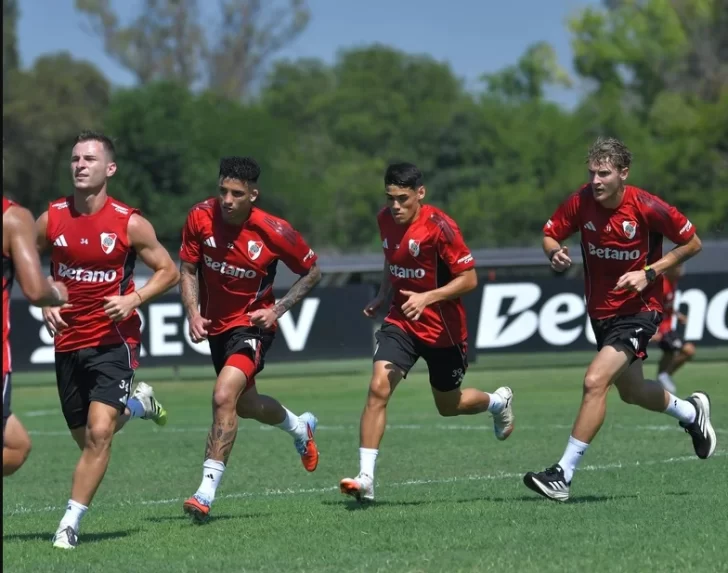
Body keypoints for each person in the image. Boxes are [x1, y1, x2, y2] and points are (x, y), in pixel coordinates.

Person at [523, 137, 716, 502]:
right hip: (601, 312)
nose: (595, 181)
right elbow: (550, 234)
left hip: (640, 309)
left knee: (595, 380)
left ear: (623, 173)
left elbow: (693, 243)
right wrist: (554, 252)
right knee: (632, 392)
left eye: (604, 174)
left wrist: (650, 272)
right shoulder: (581, 201)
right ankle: (692, 413)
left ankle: (563, 474)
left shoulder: (647, 206)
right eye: (592, 173)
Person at [36, 131, 180, 548]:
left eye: (90, 159)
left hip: (115, 339)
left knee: (100, 434)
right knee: (87, 440)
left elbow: (169, 271)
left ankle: (69, 525)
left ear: (109, 169)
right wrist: (44, 297)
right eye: (75, 159)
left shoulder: (128, 222)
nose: (80, 165)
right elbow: (22, 257)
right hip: (68, 342)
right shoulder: (52, 217)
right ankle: (139, 405)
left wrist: (134, 298)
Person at [339, 162, 514, 503]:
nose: (395, 206)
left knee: (449, 405)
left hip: (443, 331)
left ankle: (497, 401)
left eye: (403, 198)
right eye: (390, 198)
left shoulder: (440, 227)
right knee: (378, 388)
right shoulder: (384, 219)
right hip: (402, 321)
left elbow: (469, 279)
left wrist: (427, 298)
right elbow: (392, 258)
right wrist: (383, 294)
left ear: (420, 193)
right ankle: (366, 478)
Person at [179, 156, 322, 523]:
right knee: (246, 404)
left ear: (253, 195)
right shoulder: (199, 217)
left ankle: (205, 493)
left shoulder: (275, 231)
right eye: (223, 191)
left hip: (252, 326)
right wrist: (193, 312)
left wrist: (278, 309)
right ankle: (299, 426)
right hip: (216, 328)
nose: (227, 200)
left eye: (237, 194)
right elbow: (188, 269)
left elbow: (312, 271)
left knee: (222, 395)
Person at [3, 196, 69, 477]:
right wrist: (56, 293)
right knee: (15, 446)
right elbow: (34, 290)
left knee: (17, 444)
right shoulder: (12, 217)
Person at [651, 264, 695, 392]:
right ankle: (664, 375)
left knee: (669, 353)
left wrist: (677, 314)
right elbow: (651, 308)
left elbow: (667, 305)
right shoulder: (661, 285)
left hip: (668, 327)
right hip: (662, 329)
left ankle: (660, 380)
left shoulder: (673, 282)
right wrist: (654, 330)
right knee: (689, 350)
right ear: (669, 269)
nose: (681, 270)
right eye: (678, 267)